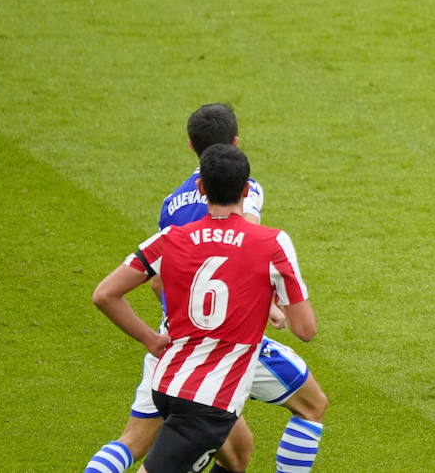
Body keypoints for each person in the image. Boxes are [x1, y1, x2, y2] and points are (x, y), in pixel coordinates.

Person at [83, 104, 328, 473]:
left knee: (234, 451)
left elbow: (145, 284)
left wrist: (158, 333)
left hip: (172, 348)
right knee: (310, 405)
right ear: (238, 146)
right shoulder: (263, 227)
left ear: (191, 148)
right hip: (225, 350)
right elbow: (244, 240)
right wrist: (270, 298)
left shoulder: (170, 217)